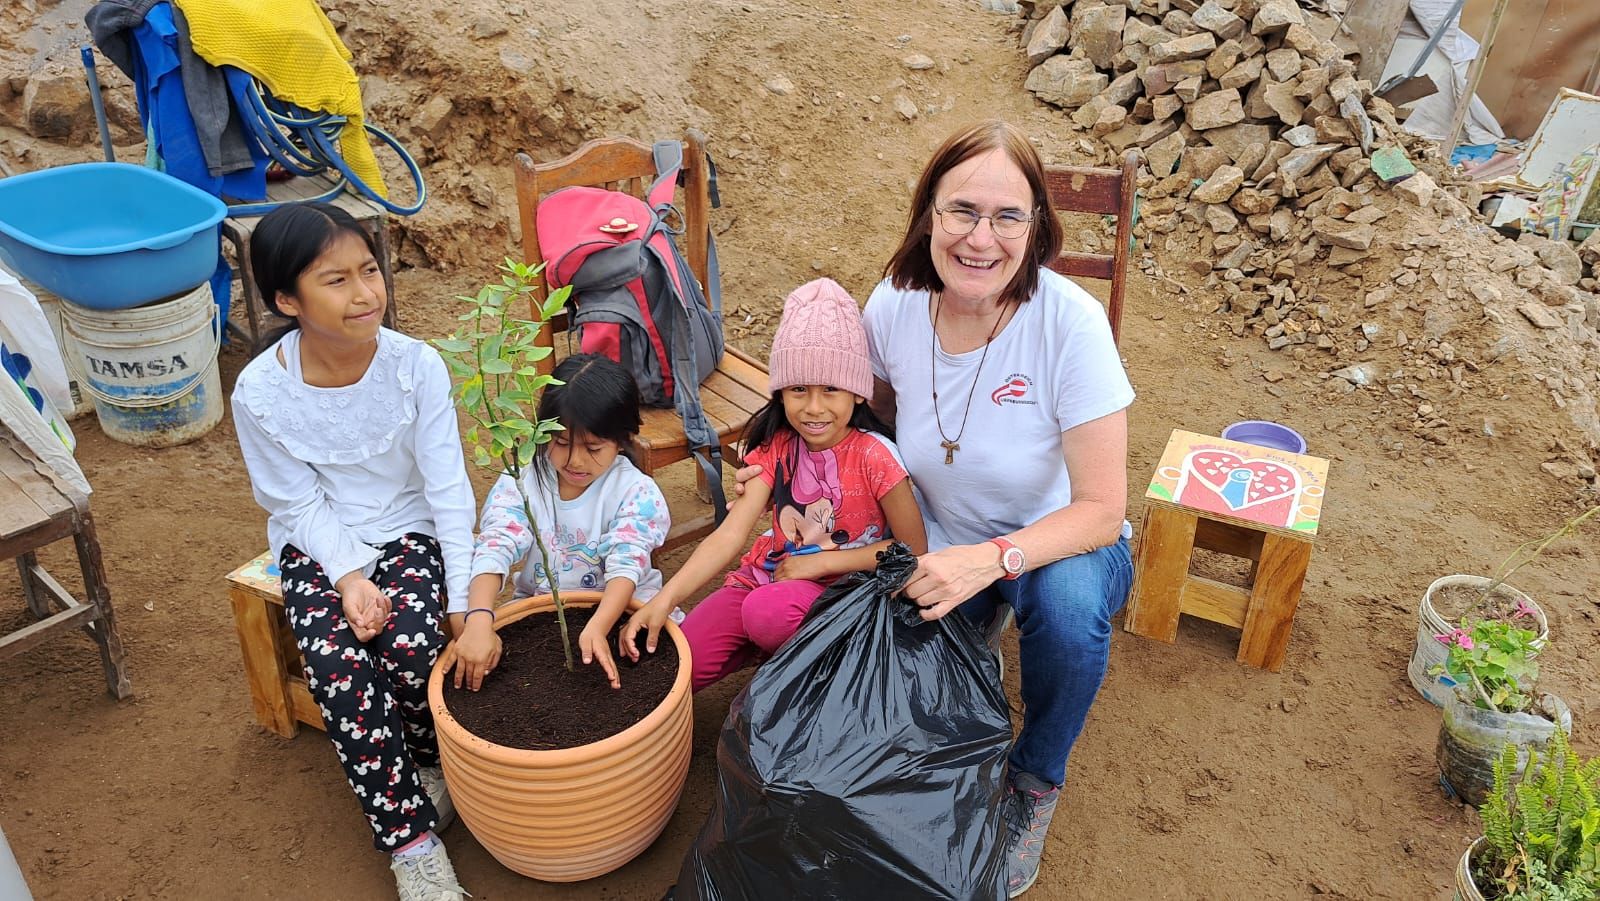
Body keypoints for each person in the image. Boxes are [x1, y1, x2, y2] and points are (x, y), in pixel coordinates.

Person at [736, 121, 1135, 897]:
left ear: (1036, 228)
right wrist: (788, 472)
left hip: (1057, 542)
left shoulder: (1070, 325)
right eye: (961, 211)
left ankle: (1034, 780)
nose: (981, 239)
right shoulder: (892, 306)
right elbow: (861, 422)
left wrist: (986, 560)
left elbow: (1100, 506)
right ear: (928, 216)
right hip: (930, 540)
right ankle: (970, 638)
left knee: (1069, 608)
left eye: (1007, 216)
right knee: (885, 711)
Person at [231, 203, 473, 901]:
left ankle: (427, 766)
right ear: (287, 299)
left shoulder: (414, 367)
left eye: (369, 270)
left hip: (407, 525)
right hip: (317, 539)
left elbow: (447, 489)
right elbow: (295, 502)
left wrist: (463, 600)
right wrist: (347, 575)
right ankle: (411, 843)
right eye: (335, 280)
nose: (365, 293)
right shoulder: (262, 391)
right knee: (339, 668)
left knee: (412, 645)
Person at [620, 278, 927, 691]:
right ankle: (768, 648)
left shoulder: (876, 457)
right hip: (768, 579)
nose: (813, 407)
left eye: (831, 389)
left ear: (857, 393)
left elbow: (910, 549)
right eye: (798, 389)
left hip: (843, 596)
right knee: (676, 671)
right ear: (780, 392)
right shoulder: (778, 446)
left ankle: (804, 669)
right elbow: (730, 535)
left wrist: (823, 562)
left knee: (768, 614)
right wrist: (665, 599)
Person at [448, 353, 670, 692]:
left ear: (622, 439)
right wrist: (479, 617)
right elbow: (496, 543)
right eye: (561, 442)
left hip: (624, 610)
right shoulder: (521, 481)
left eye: (593, 447)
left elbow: (628, 563)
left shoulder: (635, 491)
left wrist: (598, 626)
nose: (574, 460)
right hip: (541, 611)